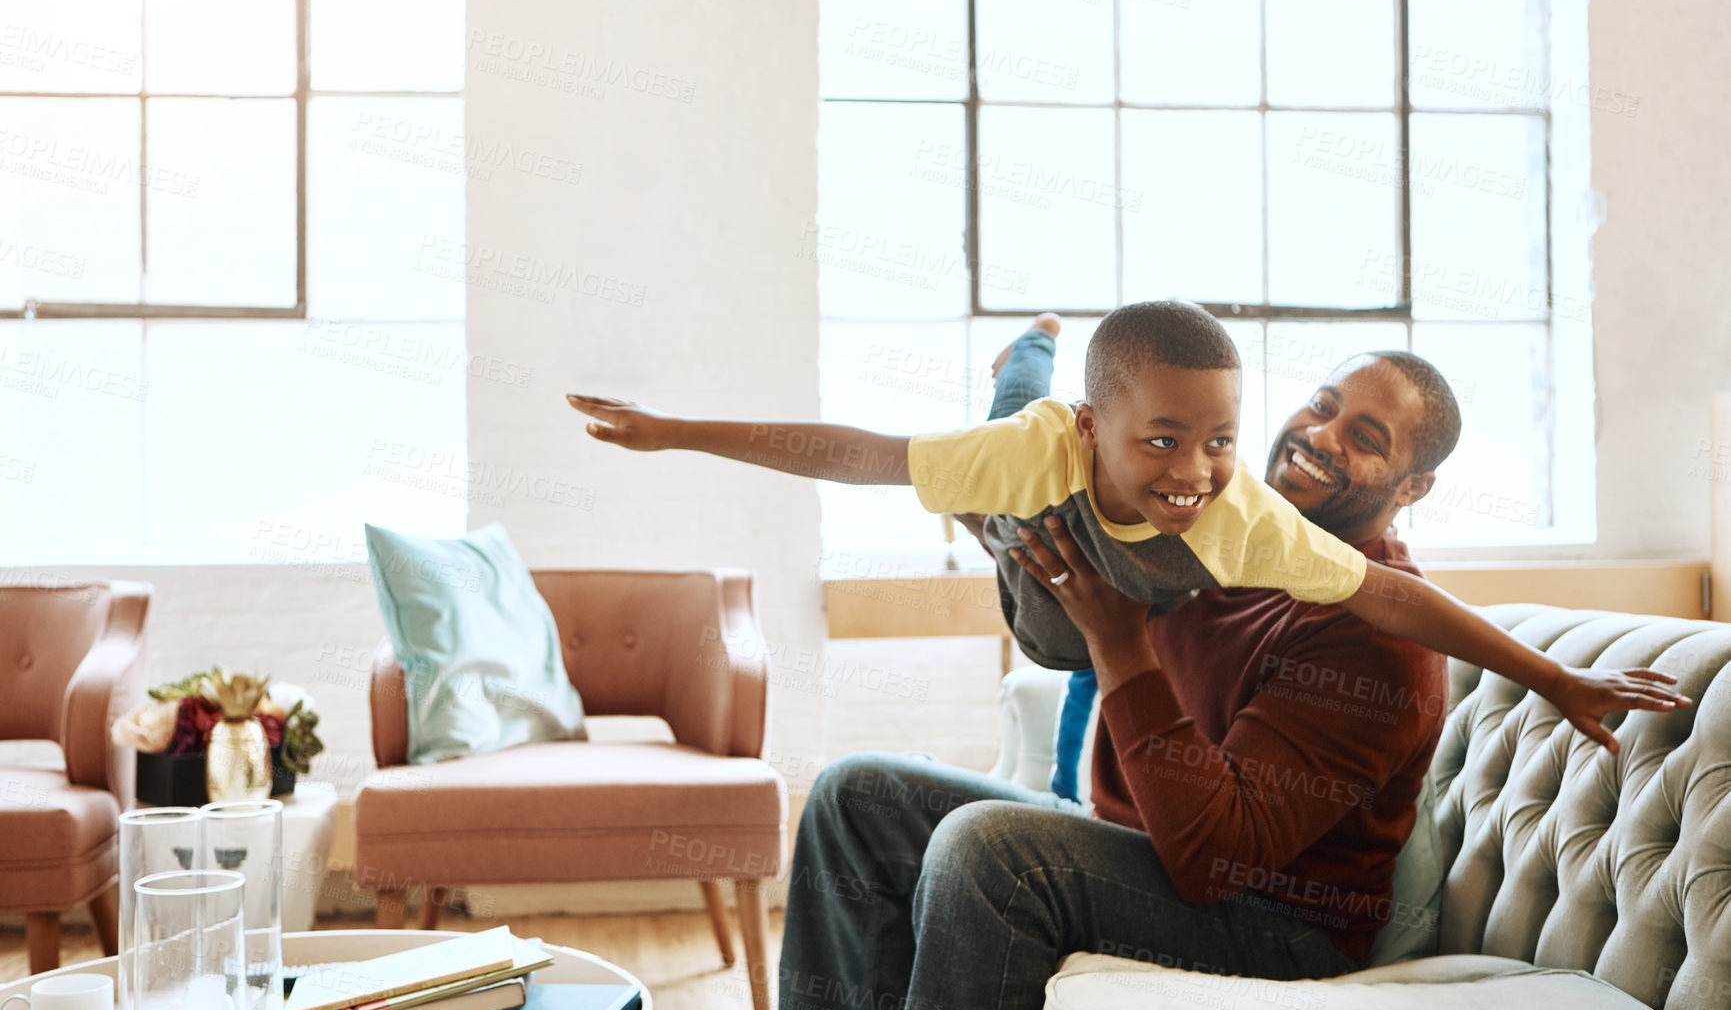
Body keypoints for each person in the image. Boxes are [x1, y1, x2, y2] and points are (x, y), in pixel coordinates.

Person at [763, 333, 1687, 1010]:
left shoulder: (1365, 637)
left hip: (1276, 924)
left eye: (1362, 439)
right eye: (1321, 407)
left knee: (993, 849)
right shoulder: (1220, 533)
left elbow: (1216, 861)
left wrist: (1119, 644)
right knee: (860, 795)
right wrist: (1005, 527)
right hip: (1148, 856)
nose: (1319, 437)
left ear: (1414, 486)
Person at [567, 300, 1686, 747]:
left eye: (1220, 439)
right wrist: (677, 430)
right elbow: (854, 453)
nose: (1196, 472)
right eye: (1163, 441)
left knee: (1080, 617)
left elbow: (1394, 594)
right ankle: (1031, 351)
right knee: (1001, 432)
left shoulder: (1239, 515)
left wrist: (1550, 675)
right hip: (1032, 536)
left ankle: (1052, 376)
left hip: (1083, 625)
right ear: (1105, 426)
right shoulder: (1047, 449)